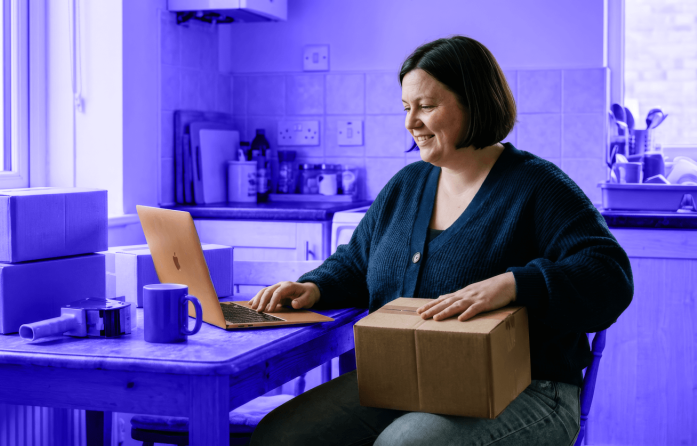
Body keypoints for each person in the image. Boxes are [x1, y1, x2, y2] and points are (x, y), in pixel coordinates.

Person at [247, 35, 634, 446]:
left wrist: (514, 284)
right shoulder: (406, 185)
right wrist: (314, 286)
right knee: (280, 436)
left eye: (427, 107)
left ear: (476, 102)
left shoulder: (537, 186)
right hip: (405, 383)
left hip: (530, 388)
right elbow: (356, 264)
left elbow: (609, 276)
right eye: (406, 108)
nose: (411, 122)